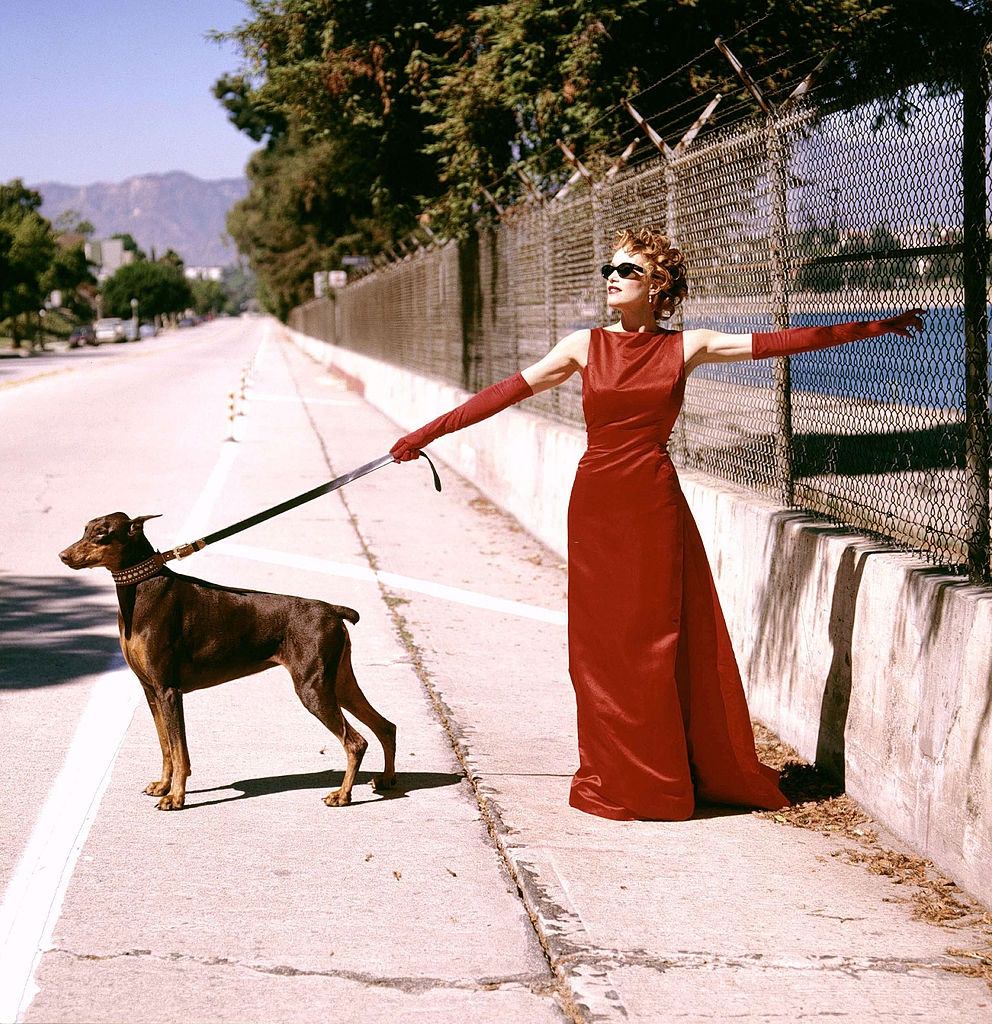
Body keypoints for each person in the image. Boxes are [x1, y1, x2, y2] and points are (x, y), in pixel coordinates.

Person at [391, 225, 925, 822]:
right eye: (609, 270)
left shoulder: (687, 346)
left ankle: (663, 780)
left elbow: (779, 343)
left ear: (658, 286)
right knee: (599, 650)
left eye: (627, 271)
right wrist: (423, 435)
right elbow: (502, 393)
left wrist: (873, 326)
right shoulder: (581, 346)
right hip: (595, 506)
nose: (612, 280)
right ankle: (616, 774)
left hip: (653, 506)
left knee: (653, 643)